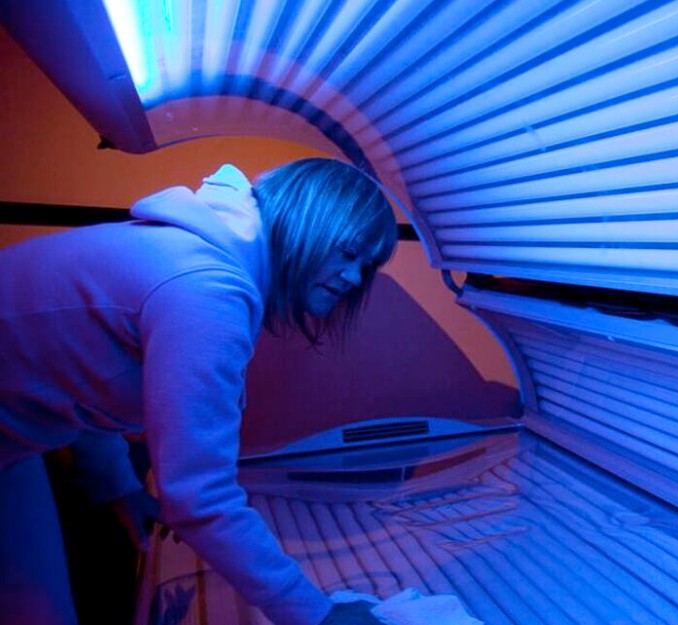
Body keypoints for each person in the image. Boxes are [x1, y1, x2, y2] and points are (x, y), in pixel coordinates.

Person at [0, 158, 396, 625]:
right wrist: (318, 615)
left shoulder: (190, 258)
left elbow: (72, 367)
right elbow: (199, 496)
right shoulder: (207, 290)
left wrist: (119, 486)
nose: (353, 279)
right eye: (348, 252)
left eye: (366, 266)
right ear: (304, 221)